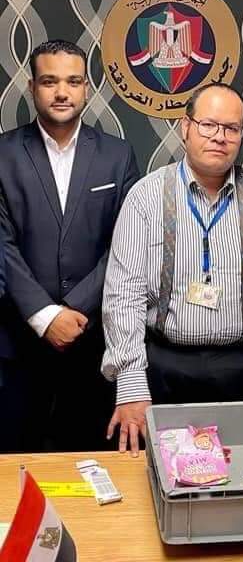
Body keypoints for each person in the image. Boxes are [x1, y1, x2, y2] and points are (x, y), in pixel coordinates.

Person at [102, 82, 243, 455]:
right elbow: (123, 295)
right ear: (185, 127)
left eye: (231, 128)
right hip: (164, 372)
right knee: (162, 477)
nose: (219, 136)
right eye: (208, 125)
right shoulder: (145, 197)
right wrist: (131, 383)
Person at [0, 40, 139, 452]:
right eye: (50, 81)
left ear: (86, 88)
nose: (62, 92)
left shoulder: (117, 155)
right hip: (18, 347)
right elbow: (1, 244)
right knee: (14, 467)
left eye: (73, 81)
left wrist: (75, 308)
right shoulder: (2, 154)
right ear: (32, 87)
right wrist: (45, 316)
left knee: (92, 468)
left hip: (91, 344)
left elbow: (127, 243)